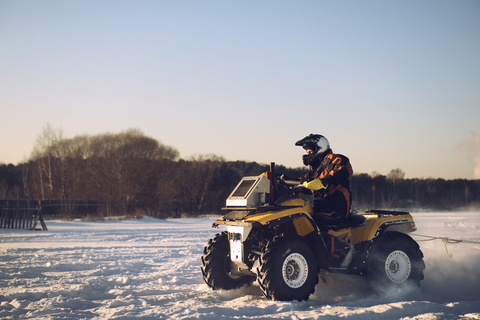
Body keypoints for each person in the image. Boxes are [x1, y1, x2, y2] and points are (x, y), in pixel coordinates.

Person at [294, 134, 354, 267]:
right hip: (320, 208)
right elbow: (303, 183)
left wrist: (326, 181)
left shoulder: (336, 159)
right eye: (307, 152)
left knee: (312, 224)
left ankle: (343, 251)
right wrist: (283, 181)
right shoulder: (315, 170)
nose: (308, 154)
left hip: (336, 208)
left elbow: (344, 169)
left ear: (319, 148)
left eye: (310, 151)